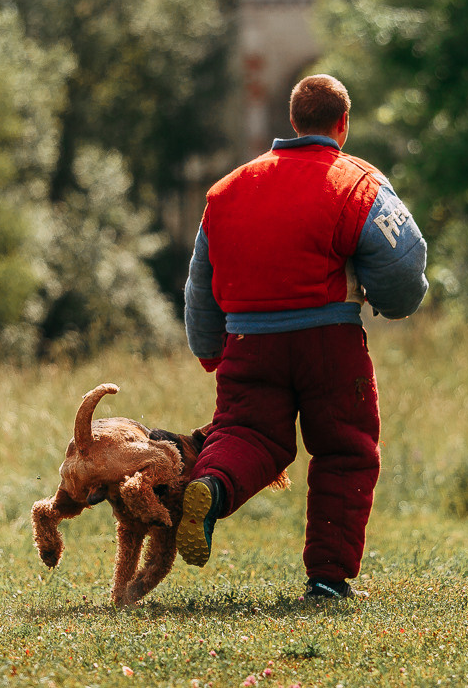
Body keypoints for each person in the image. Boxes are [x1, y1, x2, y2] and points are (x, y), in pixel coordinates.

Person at [178, 73, 428, 600]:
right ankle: (328, 579)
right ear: (343, 124)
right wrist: (391, 301)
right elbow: (405, 262)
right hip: (328, 341)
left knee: (249, 435)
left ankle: (211, 488)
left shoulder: (227, 190)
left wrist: (209, 347)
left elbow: (201, 281)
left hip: (248, 345)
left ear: (292, 120)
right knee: (344, 450)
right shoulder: (356, 182)